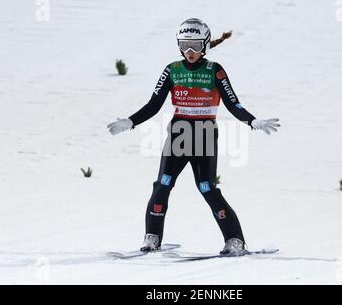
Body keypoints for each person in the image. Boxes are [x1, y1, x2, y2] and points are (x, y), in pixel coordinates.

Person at [107, 18, 280, 255]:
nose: (190, 51)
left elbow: (232, 103)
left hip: (205, 134)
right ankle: (152, 236)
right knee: (162, 185)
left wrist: (252, 121)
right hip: (179, 133)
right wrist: (131, 121)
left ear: (206, 45)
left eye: (196, 45)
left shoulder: (214, 70)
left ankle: (235, 240)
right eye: (185, 45)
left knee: (207, 187)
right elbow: (154, 104)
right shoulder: (172, 70)